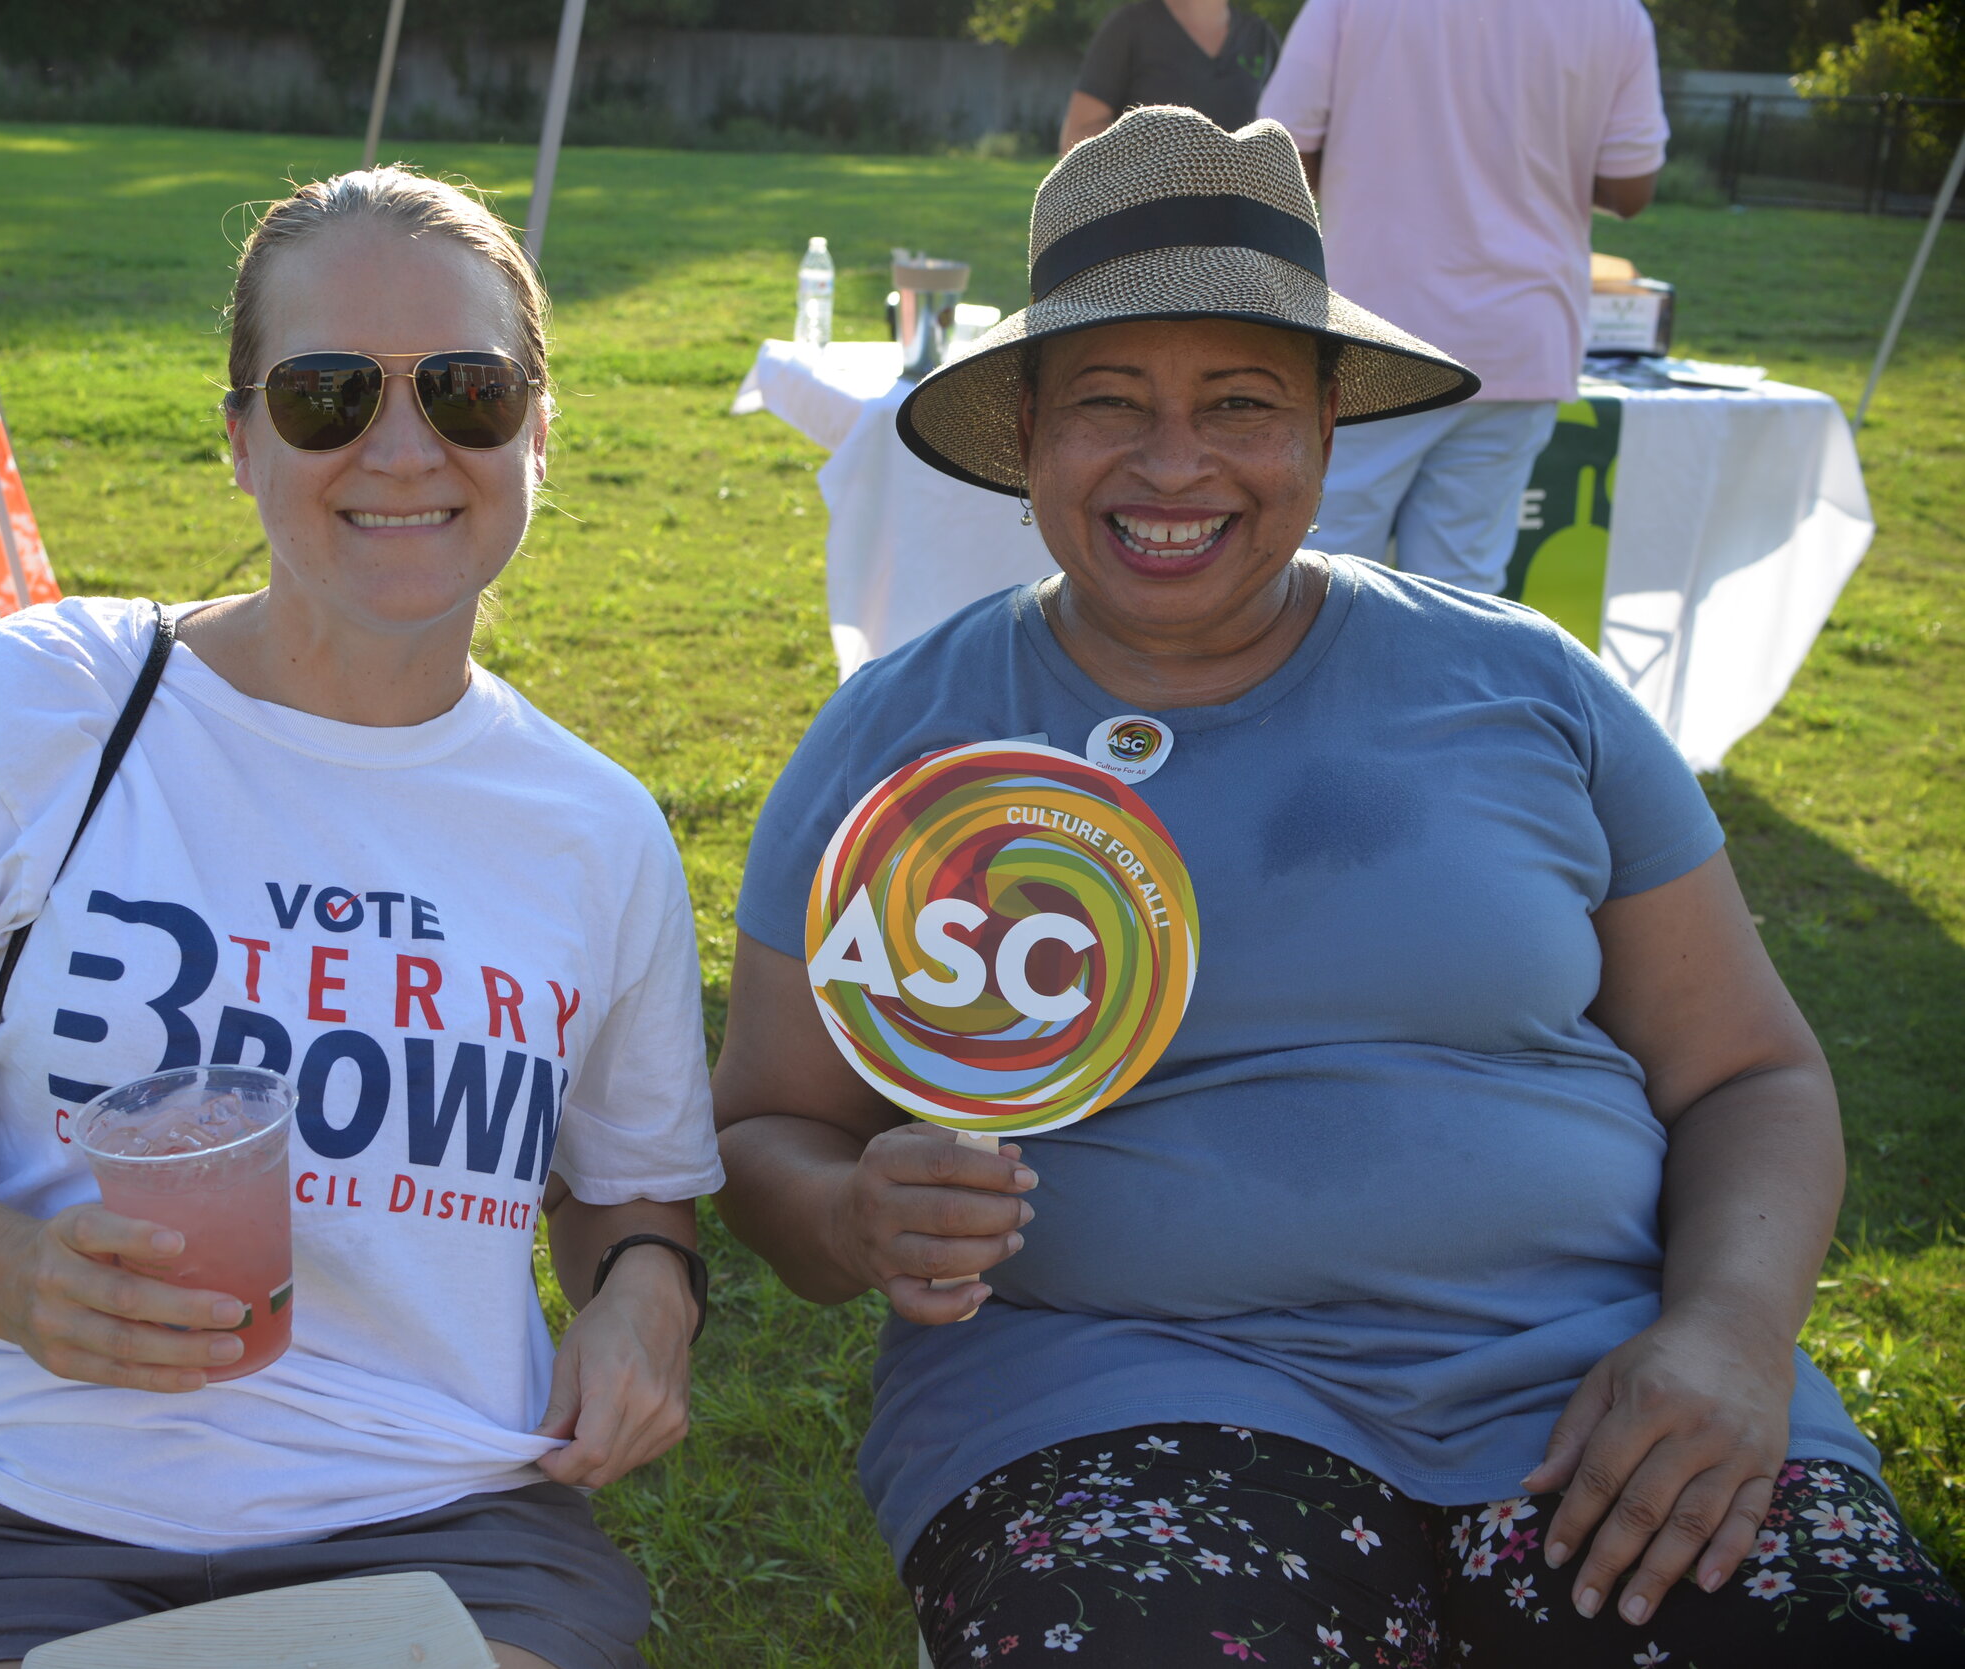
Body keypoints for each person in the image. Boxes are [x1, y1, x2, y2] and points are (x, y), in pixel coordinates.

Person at [713, 107, 1963, 1665]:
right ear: (1026, 429)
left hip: (1602, 1376)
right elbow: (769, 1120)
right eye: (1110, 402)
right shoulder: (901, 744)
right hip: (1117, 1396)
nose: (1176, 463)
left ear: (1324, 428)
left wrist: (1725, 1333)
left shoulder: (1528, 687)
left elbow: (1751, 1070)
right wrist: (849, 1216)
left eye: (1240, 403)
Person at [0, 167, 724, 1669]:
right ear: (240, 437)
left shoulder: (597, 829)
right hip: (8, 1508)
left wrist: (645, 1300)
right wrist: (18, 1280)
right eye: (324, 395)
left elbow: (635, 1190)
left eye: (468, 390)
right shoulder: (42, 705)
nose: (402, 445)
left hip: (436, 1517)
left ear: (539, 429)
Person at [1255, 0, 1667, 595]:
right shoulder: (1617, 13)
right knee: (1461, 595)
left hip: (1370, 334)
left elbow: (1282, 144)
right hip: (1518, 335)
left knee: (1317, 582)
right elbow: (1632, 185)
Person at [1060, 0, 1282, 152]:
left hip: (1242, 216)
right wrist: (1169, 147)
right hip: (1149, 213)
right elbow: (1076, 137)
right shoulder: (1129, 27)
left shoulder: (1261, 38)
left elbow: (1291, 142)